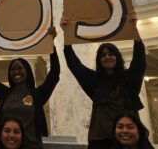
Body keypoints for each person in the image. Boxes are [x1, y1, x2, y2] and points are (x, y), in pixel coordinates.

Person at [61, 17, 146, 149]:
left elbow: (139, 61)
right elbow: (74, 65)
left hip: (127, 138)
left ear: (118, 57)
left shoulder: (129, 79)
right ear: (99, 60)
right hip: (100, 140)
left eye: (111, 54)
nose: (107, 57)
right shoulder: (94, 81)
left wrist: (134, 28)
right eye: (103, 55)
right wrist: (66, 33)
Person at [0, 26, 60, 149]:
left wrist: (51, 43)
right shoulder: (4, 94)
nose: (16, 71)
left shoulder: (36, 95)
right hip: (8, 145)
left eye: (20, 68)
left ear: (27, 71)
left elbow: (54, 74)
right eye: (13, 69)